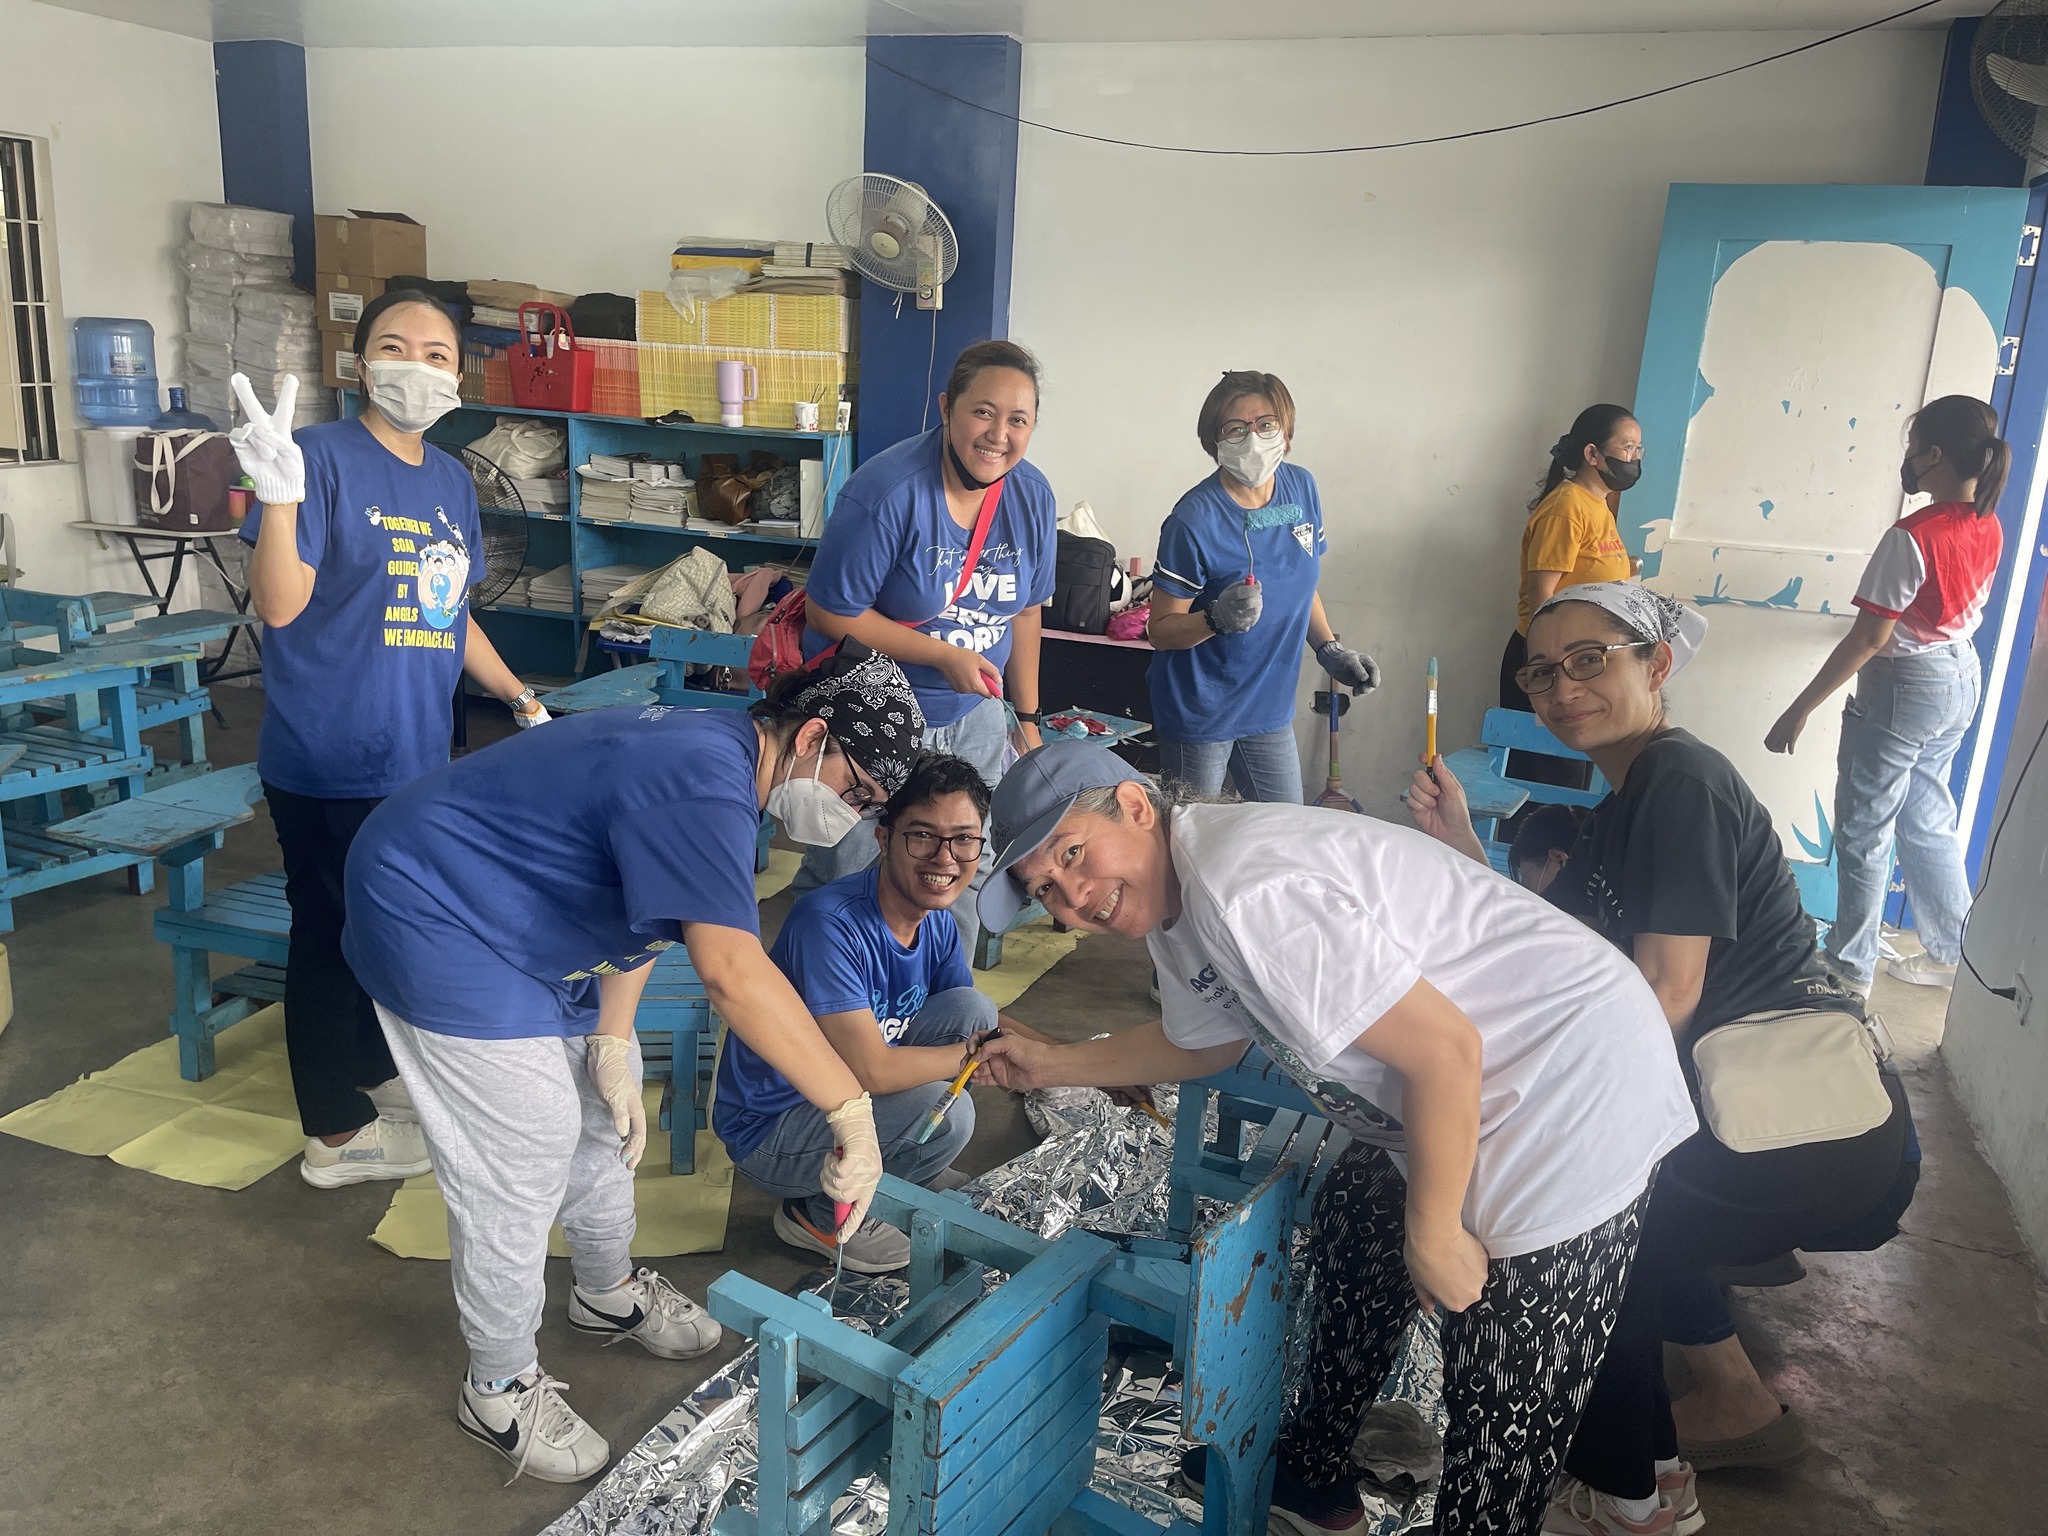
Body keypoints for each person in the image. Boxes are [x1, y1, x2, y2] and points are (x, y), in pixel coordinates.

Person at [970, 741, 1696, 1535]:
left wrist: (1435, 1231)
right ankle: (1313, 1476)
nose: (1075, 898)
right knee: (1358, 1212)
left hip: (1571, 1085)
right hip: (1468, 1083)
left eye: (1075, 854)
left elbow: (1444, 1051)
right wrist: (1050, 1065)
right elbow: (1204, 1043)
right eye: (1047, 890)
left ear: (1136, 807)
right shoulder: (1180, 904)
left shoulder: (1246, 891)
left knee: (1500, 1388)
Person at [339, 650, 917, 1483]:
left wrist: (612, 1039)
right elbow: (729, 971)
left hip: (525, 909)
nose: (852, 816)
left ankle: (604, 1293)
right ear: (812, 737)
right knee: (524, 1154)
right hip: (431, 905)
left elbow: (655, 907)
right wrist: (848, 1107)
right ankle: (496, 1384)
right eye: (857, 791)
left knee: (601, 1121)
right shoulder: (702, 777)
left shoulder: (726, 765)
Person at [1409, 582, 1911, 1535]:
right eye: (1544, 672)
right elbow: (1562, 964)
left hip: (1797, 1123)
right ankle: (1728, 1409)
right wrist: (1469, 852)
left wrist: (1543, 1129)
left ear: (1658, 664)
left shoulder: (1679, 781)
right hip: (1764, 1110)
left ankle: (1632, 1493)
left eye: (1591, 659)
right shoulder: (1622, 806)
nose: (1564, 688)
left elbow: (1664, 995)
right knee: (1622, 1202)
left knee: (1573, 1234)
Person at [227, 289, 548, 1190]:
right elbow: (282, 605)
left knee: (382, 927)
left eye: (437, 352)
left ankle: (367, 1078)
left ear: (457, 372)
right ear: (360, 363)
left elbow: (449, 616)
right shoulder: (317, 459)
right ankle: (331, 1136)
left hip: (413, 756)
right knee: (329, 934)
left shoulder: (449, 479)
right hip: (329, 756)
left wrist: (520, 696)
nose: (417, 364)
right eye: (395, 346)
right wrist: (278, 498)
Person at [716, 752, 1063, 1273]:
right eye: (922, 836)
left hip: (844, 1095)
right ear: (884, 838)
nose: (945, 858)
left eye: (965, 839)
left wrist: (1062, 1057)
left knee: (971, 1006)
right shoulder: (829, 923)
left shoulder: (937, 920)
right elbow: (871, 1070)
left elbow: (975, 1028)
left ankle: (901, 1171)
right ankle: (815, 1213)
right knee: (950, 1116)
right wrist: (984, 1056)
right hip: (775, 1128)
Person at [792, 339, 1059, 957]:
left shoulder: (1032, 496)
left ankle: (942, 1013)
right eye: (983, 412)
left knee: (958, 871)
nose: (998, 434)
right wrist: (939, 655)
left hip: (974, 719)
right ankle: (849, 1016)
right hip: (873, 716)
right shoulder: (887, 492)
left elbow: (1026, 609)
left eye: (1018, 419)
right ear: (947, 407)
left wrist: (1026, 718)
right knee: (863, 876)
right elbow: (830, 611)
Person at [1766, 395, 2009, 995]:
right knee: (1926, 815)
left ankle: (1849, 970)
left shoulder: (1912, 536)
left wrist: (1799, 709)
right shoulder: (1988, 521)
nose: (1907, 458)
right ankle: (1952, 952)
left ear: (1932, 454)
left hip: (1905, 688)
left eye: (1912, 447)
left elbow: (1870, 638)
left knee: (1864, 827)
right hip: (1959, 677)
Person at [1144, 370, 1378, 802]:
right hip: (1202, 712)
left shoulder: (1301, 488)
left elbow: (1300, 587)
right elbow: (1160, 630)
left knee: (1282, 834)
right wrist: (1215, 618)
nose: (1253, 438)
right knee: (1192, 840)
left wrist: (1329, 650)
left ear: (1285, 431)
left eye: (1266, 424)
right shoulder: (1193, 521)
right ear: (1214, 442)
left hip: (1269, 709)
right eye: (1236, 428)